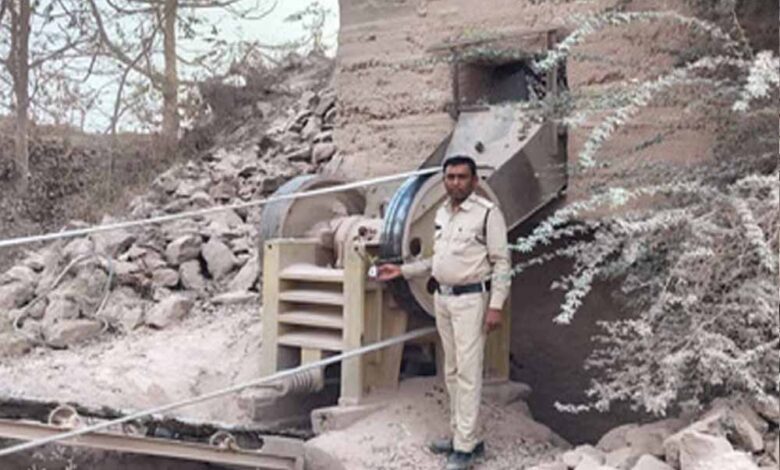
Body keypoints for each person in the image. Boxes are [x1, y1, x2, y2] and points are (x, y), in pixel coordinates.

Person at [377, 155, 511, 470]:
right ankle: (463, 436)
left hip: (470, 301)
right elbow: (437, 261)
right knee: (451, 371)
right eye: (450, 177)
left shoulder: (487, 214)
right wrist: (402, 271)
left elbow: (502, 262)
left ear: (474, 181)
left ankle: (464, 449)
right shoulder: (441, 213)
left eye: (462, 177)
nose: (455, 183)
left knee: (468, 373)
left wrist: (496, 306)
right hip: (443, 299)